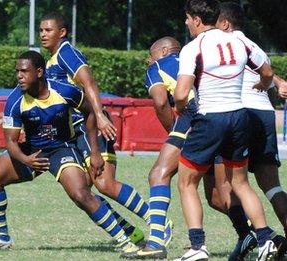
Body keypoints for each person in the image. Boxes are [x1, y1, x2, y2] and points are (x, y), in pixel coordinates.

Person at [0, 51, 139, 257]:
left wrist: (95, 151)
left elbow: (90, 112)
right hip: (33, 151)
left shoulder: (65, 91)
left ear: (39, 72)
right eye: (17, 71)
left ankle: (125, 241)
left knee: (80, 194)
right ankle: (1, 236)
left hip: (62, 149)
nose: (19, 76)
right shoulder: (15, 100)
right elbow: (11, 142)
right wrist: (26, 159)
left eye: (25, 71)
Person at [40, 12, 168, 246]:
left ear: (62, 32)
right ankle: (129, 231)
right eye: (41, 30)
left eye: (48, 30)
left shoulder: (66, 52)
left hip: (89, 124)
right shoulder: (51, 60)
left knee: (104, 183)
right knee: (82, 192)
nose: (43, 34)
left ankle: (158, 222)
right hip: (76, 131)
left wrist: (99, 116)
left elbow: (89, 82)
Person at [174, 1, 276, 260]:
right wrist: (263, 86)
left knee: (186, 182)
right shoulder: (239, 41)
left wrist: (182, 109)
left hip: (210, 118)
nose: (186, 24)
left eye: (187, 19)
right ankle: (265, 240)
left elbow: (181, 93)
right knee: (240, 183)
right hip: (239, 117)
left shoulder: (193, 47)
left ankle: (197, 247)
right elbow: (267, 71)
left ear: (197, 19)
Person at [212, 2, 287, 259]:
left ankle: (248, 236)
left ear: (226, 24)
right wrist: (276, 82)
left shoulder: (219, 44)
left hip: (238, 114)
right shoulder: (253, 45)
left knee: (227, 186)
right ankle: (271, 237)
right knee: (272, 187)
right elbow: (264, 69)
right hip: (264, 113)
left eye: (215, 21)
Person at [121, 37, 198, 259]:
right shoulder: (192, 59)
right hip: (222, 115)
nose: (148, 59)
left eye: (150, 54)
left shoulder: (156, 67)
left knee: (158, 174)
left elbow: (160, 102)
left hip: (193, 117)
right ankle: (261, 234)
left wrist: (173, 132)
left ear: (164, 51)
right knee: (220, 192)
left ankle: (155, 242)